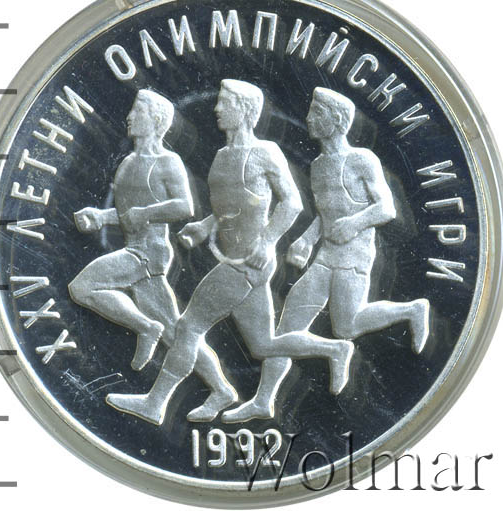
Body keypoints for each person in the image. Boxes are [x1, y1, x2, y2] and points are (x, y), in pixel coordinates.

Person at [106, 80, 354, 426]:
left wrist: (267, 242)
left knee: (188, 326)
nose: (217, 109)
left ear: (245, 110)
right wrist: (205, 226)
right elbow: (231, 209)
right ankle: (334, 349)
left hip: (246, 263)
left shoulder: (264, 152)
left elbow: (292, 203)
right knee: (263, 345)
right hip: (235, 260)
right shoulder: (223, 156)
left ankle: (156, 402)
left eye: (225, 103)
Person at [222, 87, 430, 423]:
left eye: (316, 114)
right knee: (287, 328)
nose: (308, 120)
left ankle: (412, 310)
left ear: (335, 120)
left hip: (355, 256)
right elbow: (325, 213)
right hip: (325, 256)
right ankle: (263, 399)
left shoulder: (362, 159)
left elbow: (386, 208)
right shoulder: (319, 166)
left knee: (347, 325)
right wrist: (306, 240)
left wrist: (354, 223)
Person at [68, 89, 237, 417]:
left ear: (156, 120)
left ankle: (145, 327)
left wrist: (145, 213)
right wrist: (100, 217)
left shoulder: (167, 162)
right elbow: (127, 213)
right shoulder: (128, 163)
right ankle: (222, 388)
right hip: (136, 249)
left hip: (149, 253)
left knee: (82, 287)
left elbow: (184, 207)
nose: (130, 117)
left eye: (138, 112)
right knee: (176, 331)